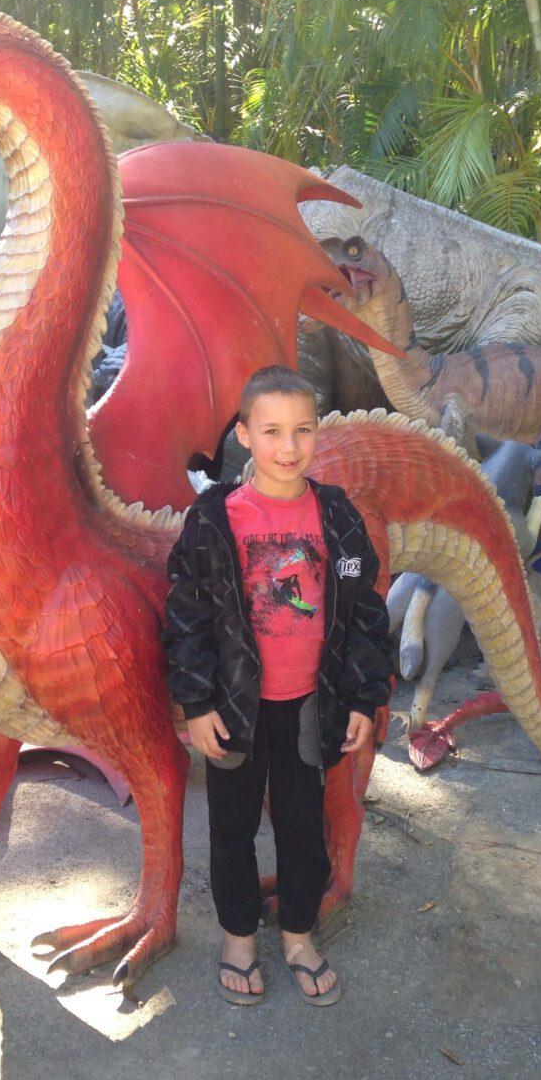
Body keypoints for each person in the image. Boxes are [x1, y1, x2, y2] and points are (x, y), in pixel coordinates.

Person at [162, 365, 395, 1006]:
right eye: (271, 431)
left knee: (302, 828)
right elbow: (186, 617)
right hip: (236, 709)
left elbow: (365, 613)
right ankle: (238, 937)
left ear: (317, 432)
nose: (288, 447)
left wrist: (363, 697)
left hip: (309, 708)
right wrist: (196, 703)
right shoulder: (214, 520)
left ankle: (297, 934)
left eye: (302, 430)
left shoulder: (339, 518)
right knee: (232, 827)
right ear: (244, 434)